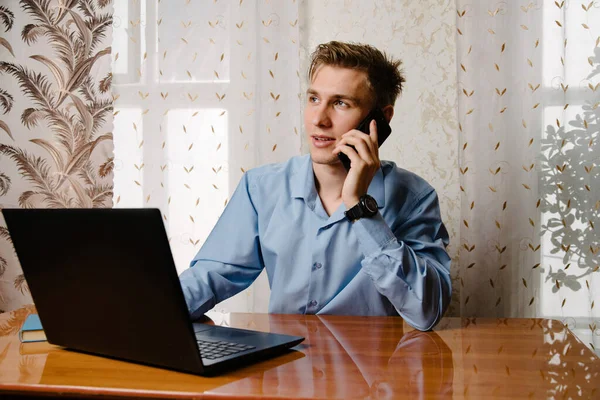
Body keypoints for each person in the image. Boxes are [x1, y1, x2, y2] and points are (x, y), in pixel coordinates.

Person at [179, 41, 451, 331]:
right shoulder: (263, 187)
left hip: (370, 371)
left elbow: (427, 311)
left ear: (380, 120)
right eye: (313, 99)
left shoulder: (414, 197)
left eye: (341, 103)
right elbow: (210, 276)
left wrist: (360, 206)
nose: (319, 120)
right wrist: (146, 313)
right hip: (285, 367)